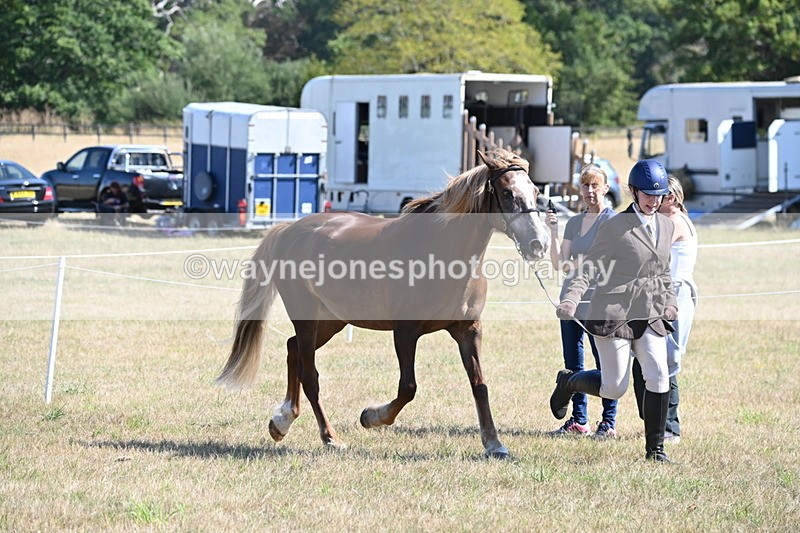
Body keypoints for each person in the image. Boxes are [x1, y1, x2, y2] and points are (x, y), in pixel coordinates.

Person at [549, 159, 678, 462]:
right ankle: (569, 382)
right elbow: (589, 268)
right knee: (614, 387)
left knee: (659, 375)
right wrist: (571, 299)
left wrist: (670, 301)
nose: (653, 200)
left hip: (650, 313)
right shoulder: (615, 226)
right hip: (614, 313)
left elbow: (663, 271)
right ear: (633, 191)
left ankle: (655, 451)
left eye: (658, 195)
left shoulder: (667, 225)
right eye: (647, 194)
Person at [545, 165, 618, 437]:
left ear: (605, 188)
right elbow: (559, 264)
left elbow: (603, 261)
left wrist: (576, 263)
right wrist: (553, 232)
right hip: (570, 302)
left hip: (599, 302)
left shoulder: (612, 221)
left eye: (595, 185)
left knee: (605, 364)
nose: (590, 191)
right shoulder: (574, 223)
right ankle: (579, 420)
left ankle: (608, 423)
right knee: (573, 363)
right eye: (585, 185)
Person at [632, 175, 698, 444]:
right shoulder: (672, 218)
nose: (654, 200)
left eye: (658, 195)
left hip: (672, 297)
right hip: (663, 294)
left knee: (666, 361)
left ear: (670, 197)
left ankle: (669, 426)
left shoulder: (673, 222)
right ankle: (655, 419)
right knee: (649, 357)